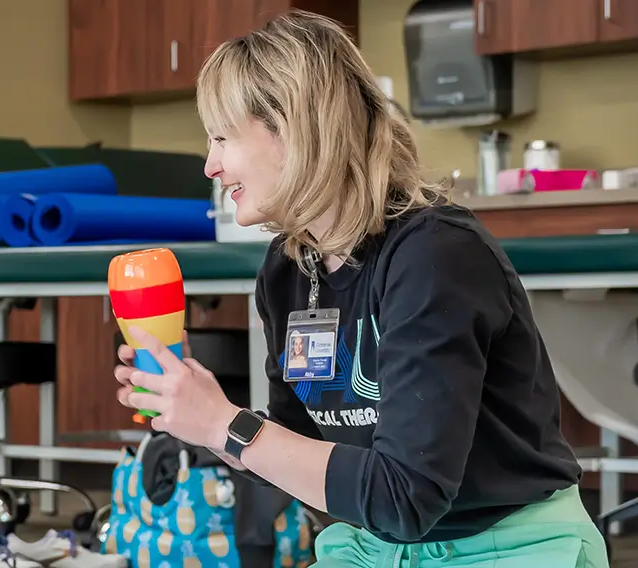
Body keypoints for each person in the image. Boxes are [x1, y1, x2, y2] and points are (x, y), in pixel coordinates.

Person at [112, 11, 605, 568]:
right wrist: (203, 417)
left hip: (505, 546)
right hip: (374, 546)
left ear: (293, 127)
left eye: (223, 137)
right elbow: (297, 455)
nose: (211, 165)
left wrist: (226, 425)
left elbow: (405, 497)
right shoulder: (286, 267)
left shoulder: (434, 255)